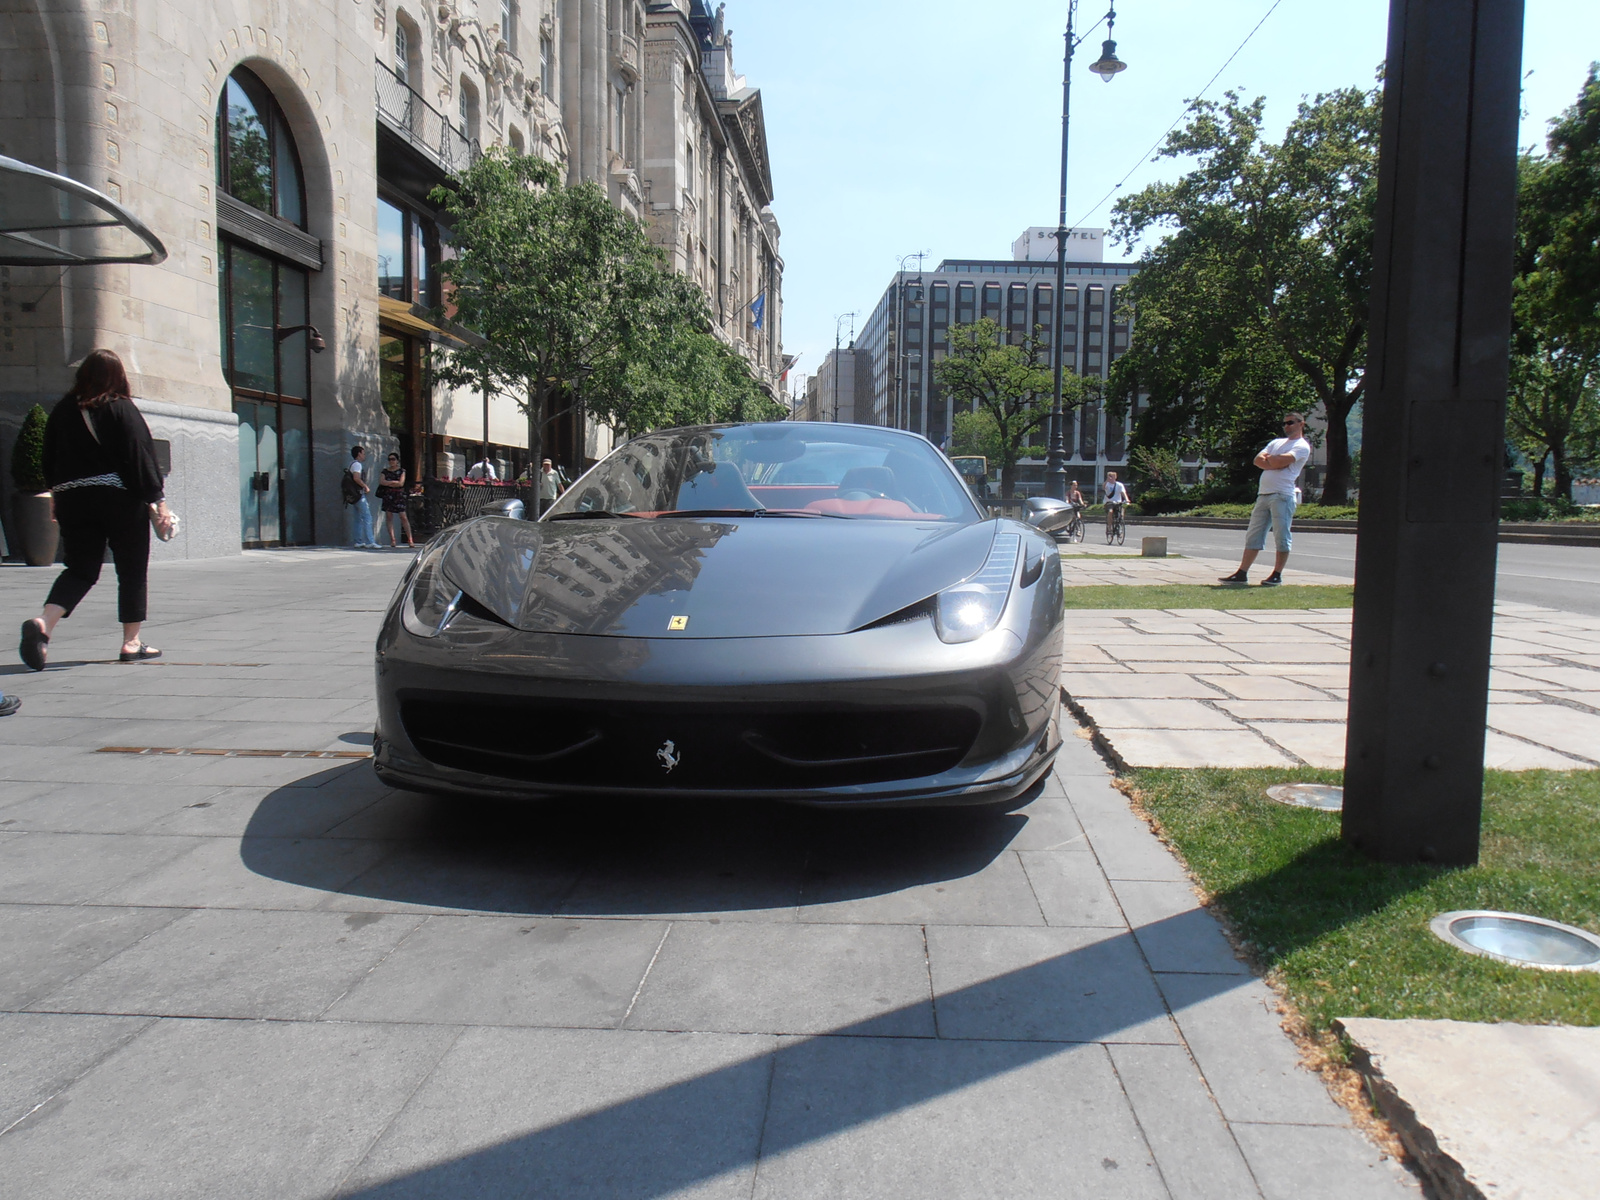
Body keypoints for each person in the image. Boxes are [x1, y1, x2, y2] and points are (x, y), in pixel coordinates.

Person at [17, 349, 175, 671]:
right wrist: (157, 497)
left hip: (73, 500)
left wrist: (57, 498)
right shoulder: (120, 408)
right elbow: (138, 455)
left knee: (79, 569)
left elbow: (48, 459)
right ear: (118, 377)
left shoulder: (62, 411)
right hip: (118, 498)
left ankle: (44, 623)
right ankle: (131, 643)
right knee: (131, 570)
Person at [1220, 412, 1312, 587]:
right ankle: (1242, 572)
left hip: (1282, 495)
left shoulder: (1302, 446)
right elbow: (1258, 460)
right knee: (1253, 535)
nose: (1287, 426)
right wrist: (1274, 460)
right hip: (1264, 494)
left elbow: (1277, 462)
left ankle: (1276, 574)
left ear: (1301, 424)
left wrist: (1272, 460)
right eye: (1284, 423)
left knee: (1281, 535)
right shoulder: (1276, 443)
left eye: (1291, 423)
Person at [376, 452, 414, 548]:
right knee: (389, 516)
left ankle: (410, 539)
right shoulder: (385, 471)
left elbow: (401, 483)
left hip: (398, 494)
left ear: (397, 460)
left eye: (393, 459)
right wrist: (393, 482)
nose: (391, 461)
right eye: (389, 459)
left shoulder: (402, 471)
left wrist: (388, 482)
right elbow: (381, 482)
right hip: (388, 495)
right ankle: (392, 539)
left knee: (403, 516)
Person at [344, 446, 378, 547]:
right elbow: (356, 478)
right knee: (367, 517)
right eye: (363, 453)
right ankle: (370, 541)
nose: (364, 455)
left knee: (358, 518)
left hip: (354, 494)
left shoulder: (351, 464)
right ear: (359, 454)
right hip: (358, 494)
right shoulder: (357, 465)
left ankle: (358, 541)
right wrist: (365, 486)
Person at [1102, 470, 1130, 536]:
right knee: (1110, 512)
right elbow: (1103, 487)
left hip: (1118, 502)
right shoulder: (1107, 484)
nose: (1112, 478)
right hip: (1109, 502)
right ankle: (1109, 527)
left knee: (1121, 514)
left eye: (1113, 476)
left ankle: (1120, 527)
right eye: (1110, 476)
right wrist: (1107, 480)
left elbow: (1123, 493)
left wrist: (1127, 499)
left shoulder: (1119, 485)